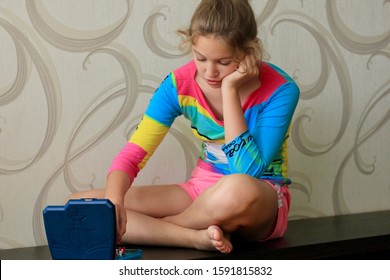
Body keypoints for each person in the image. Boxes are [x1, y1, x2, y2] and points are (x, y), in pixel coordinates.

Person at [67, 0, 300, 254]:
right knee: (81, 206)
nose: (210, 72)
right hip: (200, 191)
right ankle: (194, 238)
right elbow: (134, 153)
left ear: (248, 52)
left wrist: (230, 90)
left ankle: (165, 229)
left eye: (223, 62)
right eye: (200, 58)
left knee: (236, 189)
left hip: (259, 196)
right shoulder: (178, 85)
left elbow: (248, 170)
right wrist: (114, 202)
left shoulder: (281, 89)